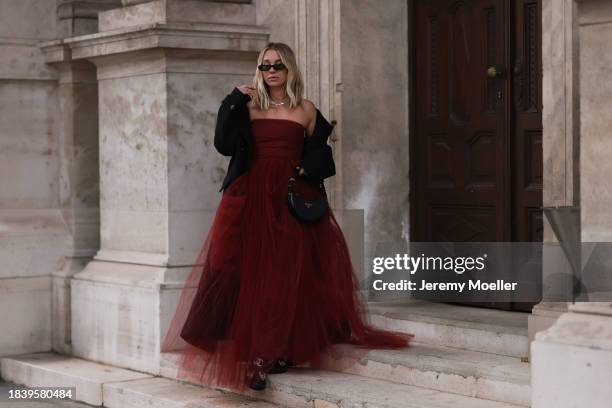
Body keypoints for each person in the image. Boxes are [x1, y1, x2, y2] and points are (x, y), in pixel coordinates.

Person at [161, 42, 413, 393]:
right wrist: (231, 100)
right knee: (246, 273)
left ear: (290, 69)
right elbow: (223, 144)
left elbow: (322, 158)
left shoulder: (307, 110)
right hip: (250, 199)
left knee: (283, 276)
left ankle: (266, 358)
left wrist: (305, 167)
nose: (272, 71)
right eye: (265, 66)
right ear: (259, 71)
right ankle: (261, 352)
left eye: (278, 65)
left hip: (292, 200)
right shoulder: (248, 108)